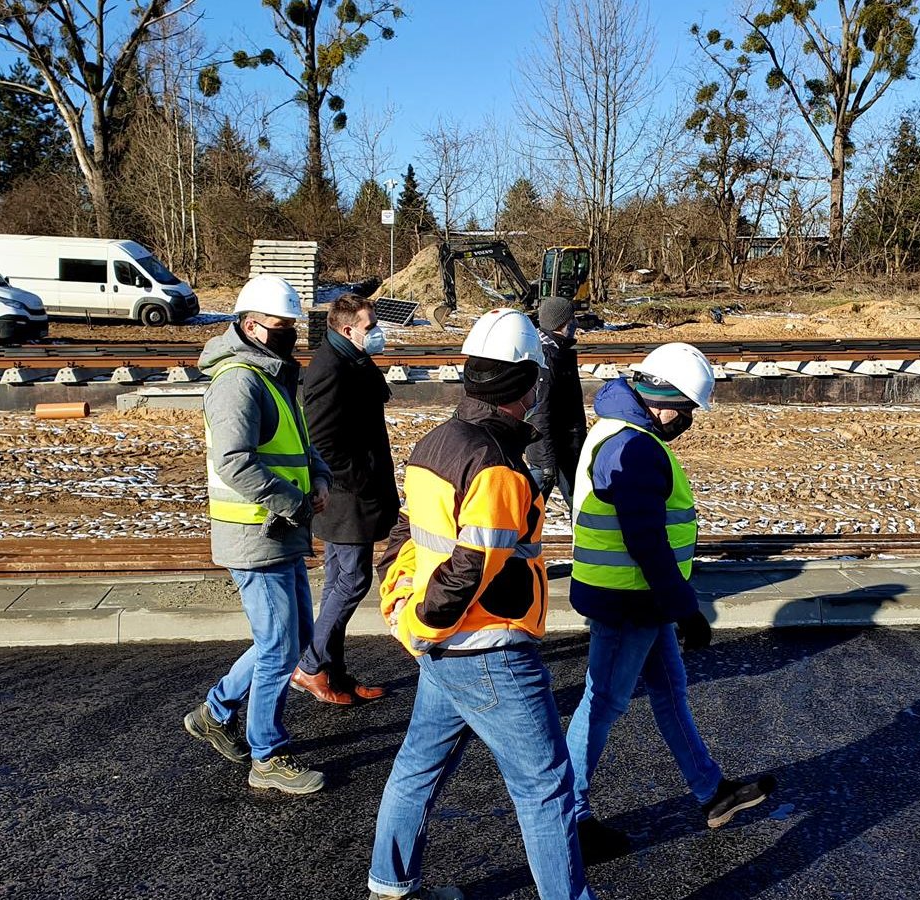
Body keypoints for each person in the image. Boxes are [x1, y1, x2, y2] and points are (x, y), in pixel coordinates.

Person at [367, 309, 596, 900]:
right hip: (487, 647)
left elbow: (402, 538)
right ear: (529, 385)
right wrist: (426, 620)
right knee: (546, 787)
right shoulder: (498, 465)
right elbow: (471, 566)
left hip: (446, 650)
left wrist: (407, 615)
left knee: (418, 767)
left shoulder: (436, 443)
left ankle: (391, 887)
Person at [563, 342, 775, 861]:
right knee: (603, 704)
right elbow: (646, 541)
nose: (689, 422)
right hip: (628, 600)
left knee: (670, 691)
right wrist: (685, 606)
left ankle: (714, 792)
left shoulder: (623, 431)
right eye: (686, 411)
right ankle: (567, 817)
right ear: (662, 396)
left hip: (642, 599)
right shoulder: (632, 447)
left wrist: (674, 603)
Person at [183, 274, 333, 795]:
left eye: (292, 326)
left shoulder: (272, 374)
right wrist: (293, 500)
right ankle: (266, 756)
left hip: (280, 529)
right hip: (257, 535)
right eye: (281, 326)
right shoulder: (239, 381)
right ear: (250, 325)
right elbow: (234, 461)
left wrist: (319, 478)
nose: (290, 333)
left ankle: (216, 711)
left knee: (291, 641)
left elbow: (295, 444)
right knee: (278, 646)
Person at [293, 296, 399, 705]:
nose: (376, 332)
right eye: (369, 326)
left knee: (340, 582)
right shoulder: (329, 369)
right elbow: (321, 440)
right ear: (346, 329)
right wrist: (359, 480)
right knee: (353, 581)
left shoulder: (349, 357)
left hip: (351, 494)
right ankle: (309, 666)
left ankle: (331, 674)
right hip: (345, 497)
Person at [527, 295, 586, 506]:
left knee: (581, 506)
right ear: (560, 324)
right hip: (553, 452)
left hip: (564, 448)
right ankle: (517, 539)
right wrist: (545, 462)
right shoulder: (547, 359)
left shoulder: (557, 352)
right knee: (529, 511)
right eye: (572, 319)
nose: (576, 323)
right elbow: (539, 413)